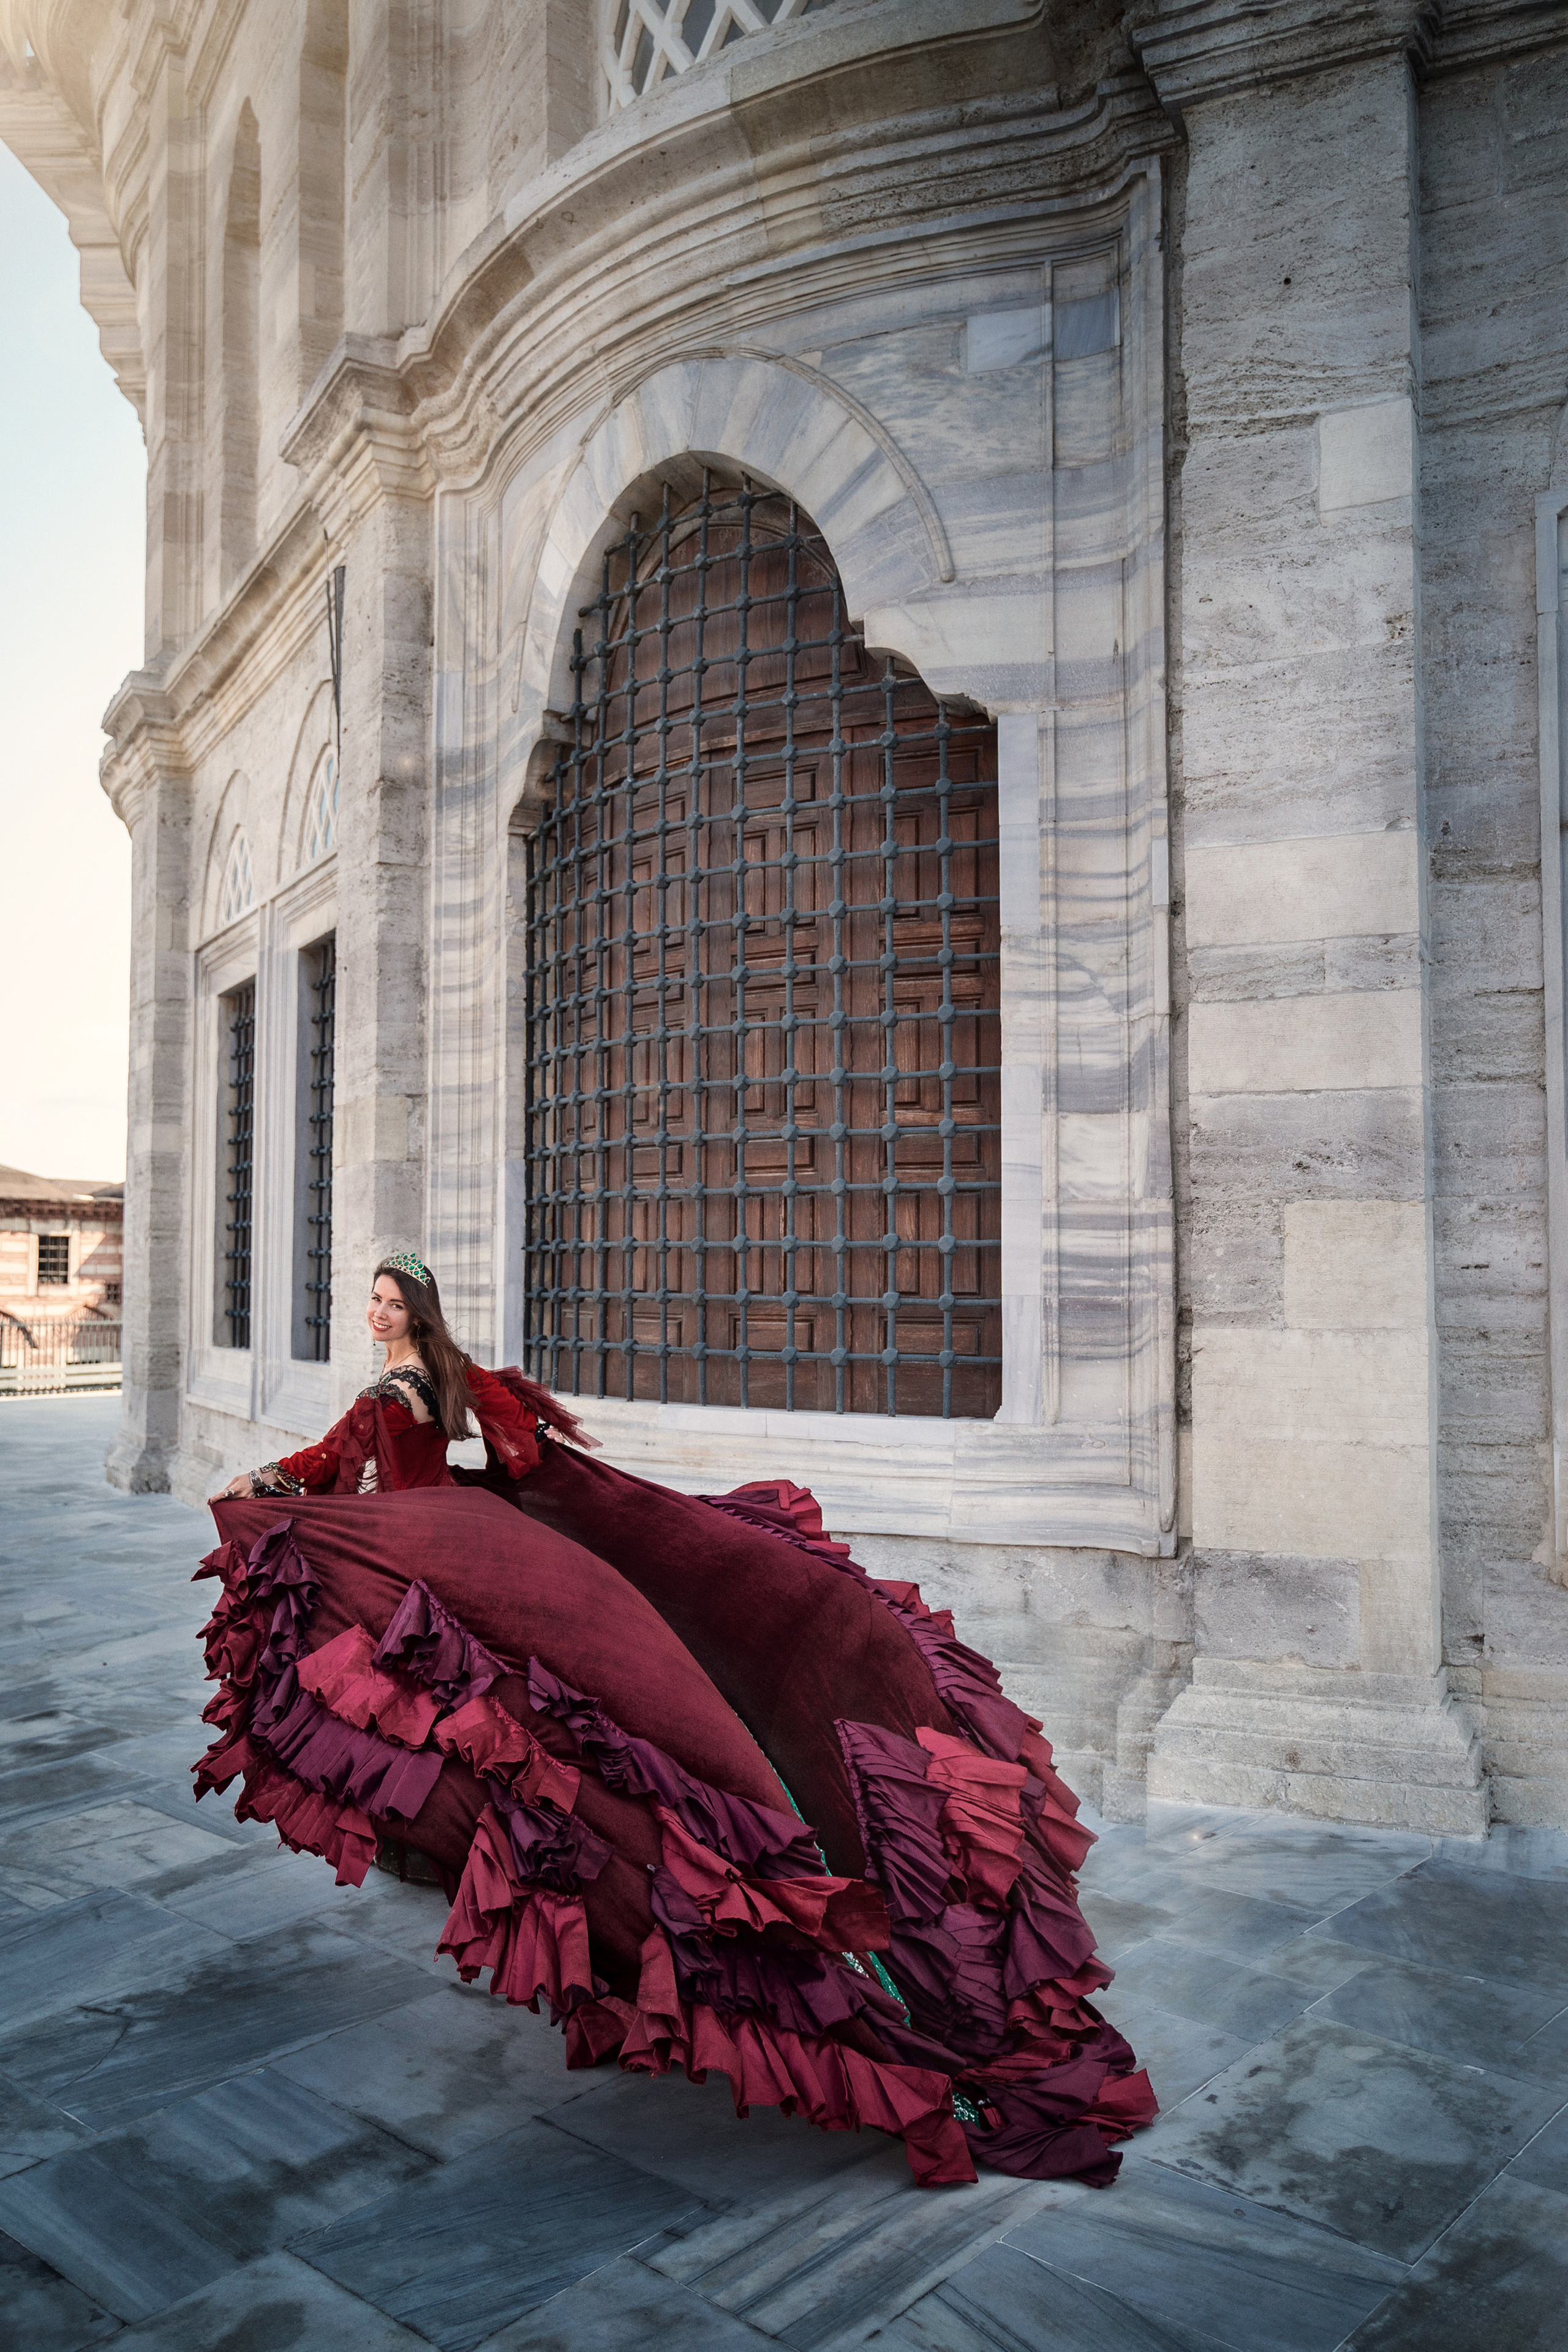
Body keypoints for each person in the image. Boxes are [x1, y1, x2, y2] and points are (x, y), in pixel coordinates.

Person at [196, 1253, 1155, 2190]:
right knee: (499, 1719)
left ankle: (775, 1963)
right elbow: (525, 1453)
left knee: (481, 1718)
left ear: (416, 1311)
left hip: (435, 1552)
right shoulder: (458, 1378)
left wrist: (265, 1488)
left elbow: (329, 1464)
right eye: (369, 1300)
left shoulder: (387, 1394)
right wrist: (484, 1481)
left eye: (388, 1301)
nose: (374, 1313)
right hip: (466, 1535)